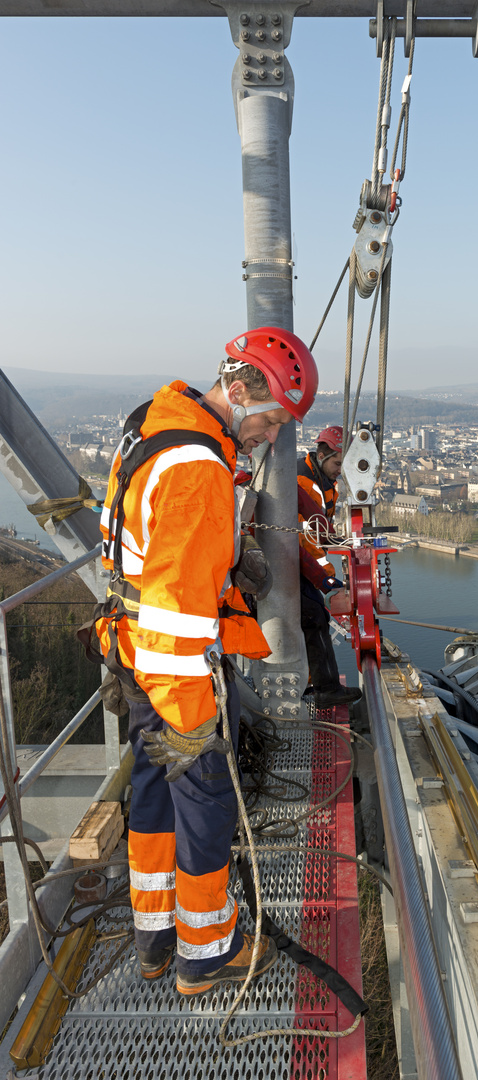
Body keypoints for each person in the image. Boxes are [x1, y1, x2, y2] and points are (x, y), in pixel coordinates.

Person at [94, 327, 318, 995]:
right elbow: (172, 610)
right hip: (172, 667)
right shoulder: (198, 468)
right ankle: (205, 952)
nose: (271, 437)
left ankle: (155, 937)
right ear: (242, 390)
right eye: (272, 419)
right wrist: (194, 718)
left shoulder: (156, 426)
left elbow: (152, 560)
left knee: (155, 793)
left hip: (135, 653)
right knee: (206, 800)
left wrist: (221, 568)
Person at [297, 427, 363, 709]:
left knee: (311, 620)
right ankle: (324, 688)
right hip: (295, 562)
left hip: (297, 561)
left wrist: (339, 540)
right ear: (321, 455)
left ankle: (314, 684)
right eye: (337, 464)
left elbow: (321, 530)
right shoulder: (307, 483)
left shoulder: (321, 480)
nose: (340, 471)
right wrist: (325, 577)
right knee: (314, 618)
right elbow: (306, 538)